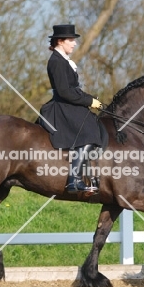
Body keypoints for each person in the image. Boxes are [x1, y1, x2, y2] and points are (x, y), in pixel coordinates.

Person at [39, 24, 107, 194]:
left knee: (93, 123)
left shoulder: (64, 60)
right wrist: (88, 101)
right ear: (60, 41)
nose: (74, 44)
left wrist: (91, 99)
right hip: (62, 106)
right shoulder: (56, 61)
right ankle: (74, 179)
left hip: (69, 103)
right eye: (71, 40)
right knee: (90, 132)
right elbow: (64, 92)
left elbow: (74, 89)